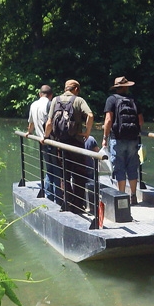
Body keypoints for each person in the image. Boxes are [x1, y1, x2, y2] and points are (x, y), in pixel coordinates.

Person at [43, 79, 94, 212]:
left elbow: (49, 123)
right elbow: (90, 115)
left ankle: (67, 202)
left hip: (61, 144)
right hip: (76, 144)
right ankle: (78, 205)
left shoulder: (55, 100)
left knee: (64, 175)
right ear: (76, 89)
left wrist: (45, 137)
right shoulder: (79, 100)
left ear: (66, 88)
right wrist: (87, 133)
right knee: (79, 174)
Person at [102, 76, 143, 204]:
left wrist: (105, 138)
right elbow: (140, 121)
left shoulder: (111, 100)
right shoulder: (134, 100)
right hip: (133, 139)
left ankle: (121, 197)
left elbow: (108, 120)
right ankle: (133, 195)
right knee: (132, 167)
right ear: (125, 87)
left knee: (119, 168)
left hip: (117, 138)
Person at [25, 85, 58, 201]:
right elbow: (50, 123)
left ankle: (49, 196)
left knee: (49, 169)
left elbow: (31, 124)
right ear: (51, 95)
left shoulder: (33, 105)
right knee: (57, 170)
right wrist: (46, 135)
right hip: (50, 140)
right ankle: (58, 199)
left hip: (41, 142)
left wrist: (28, 133)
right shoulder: (50, 104)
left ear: (40, 94)